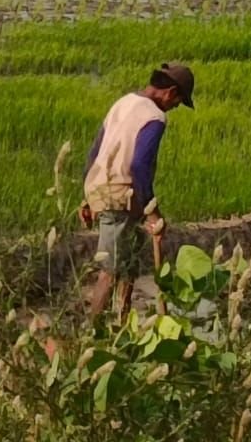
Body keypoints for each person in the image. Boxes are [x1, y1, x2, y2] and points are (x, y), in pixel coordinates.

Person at [78, 62, 195, 320]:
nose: (175, 106)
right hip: (119, 193)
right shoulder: (155, 117)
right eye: (178, 100)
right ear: (170, 92)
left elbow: (96, 151)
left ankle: (122, 320)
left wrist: (88, 198)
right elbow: (139, 165)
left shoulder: (124, 102)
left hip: (100, 187)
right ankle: (93, 332)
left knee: (128, 261)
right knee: (110, 269)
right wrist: (152, 213)